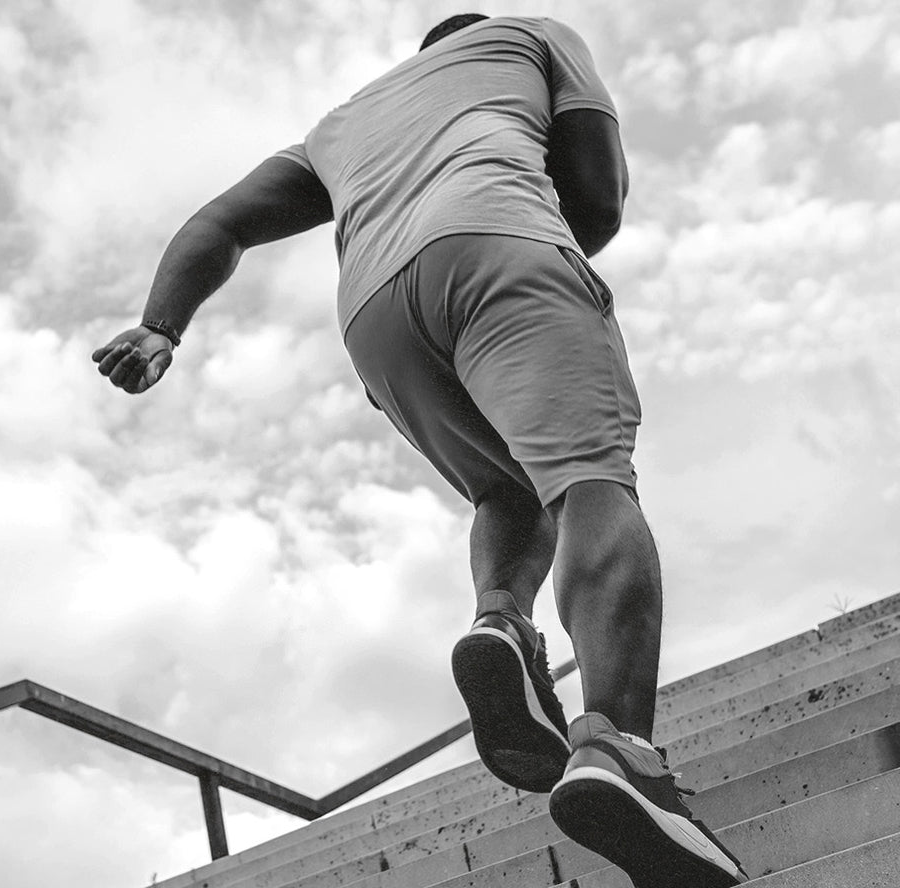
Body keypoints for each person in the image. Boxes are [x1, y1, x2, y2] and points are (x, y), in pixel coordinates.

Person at [91, 14, 748, 888]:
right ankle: (621, 750)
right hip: (497, 238)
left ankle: (502, 621)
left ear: (422, 52)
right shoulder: (529, 36)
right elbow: (597, 195)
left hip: (375, 315)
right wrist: (536, 263)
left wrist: (160, 324)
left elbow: (222, 221)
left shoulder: (345, 121)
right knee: (587, 481)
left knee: (503, 489)